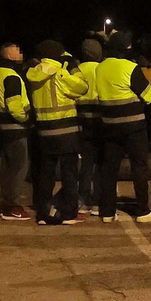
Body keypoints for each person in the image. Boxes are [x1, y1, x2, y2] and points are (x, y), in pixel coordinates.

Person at [92, 32, 151, 223]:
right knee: (139, 167)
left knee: (109, 169)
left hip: (109, 125)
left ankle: (107, 211)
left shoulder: (100, 67)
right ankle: (143, 210)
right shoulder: (131, 67)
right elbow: (148, 96)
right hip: (134, 126)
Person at [25, 41, 87, 225]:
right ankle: (69, 213)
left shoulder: (32, 73)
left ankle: (43, 213)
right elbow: (83, 86)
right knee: (69, 173)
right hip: (66, 129)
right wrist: (72, 68)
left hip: (44, 130)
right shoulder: (60, 73)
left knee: (46, 173)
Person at [0, 43, 32, 219]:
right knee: (19, 168)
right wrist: (27, 119)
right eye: (17, 50)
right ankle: (12, 206)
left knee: (7, 168)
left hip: (1, 127)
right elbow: (15, 107)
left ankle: (6, 202)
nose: (21, 52)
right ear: (10, 56)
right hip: (15, 128)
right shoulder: (12, 76)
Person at [75, 39, 102, 213]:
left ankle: (83, 198)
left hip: (81, 121)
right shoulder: (102, 69)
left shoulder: (77, 71)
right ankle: (99, 200)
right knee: (101, 162)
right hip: (101, 121)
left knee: (85, 162)